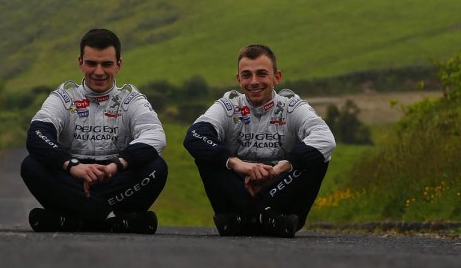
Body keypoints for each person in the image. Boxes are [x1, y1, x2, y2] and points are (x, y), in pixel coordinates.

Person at [20, 28, 168, 233]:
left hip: (115, 179)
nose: (99, 72)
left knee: (157, 167)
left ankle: (74, 220)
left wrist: (116, 165)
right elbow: (37, 134)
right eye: (91, 63)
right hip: (73, 179)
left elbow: (155, 135)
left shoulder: (132, 99)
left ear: (118, 65)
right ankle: (110, 219)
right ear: (80, 63)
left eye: (106, 64)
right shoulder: (63, 97)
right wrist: (72, 166)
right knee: (31, 165)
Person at [183, 44, 336, 238]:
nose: (254, 82)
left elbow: (325, 138)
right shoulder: (229, 104)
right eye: (247, 75)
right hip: (241, 189)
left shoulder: (291, 105)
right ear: (238, 79)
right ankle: (266, 218)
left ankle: (246, 219)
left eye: (262, 74)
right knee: (206, 154)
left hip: (280, 191)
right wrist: (238, 164)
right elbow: (194, 136)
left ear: (276, 77)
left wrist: (279, 169)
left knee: (319, 155)